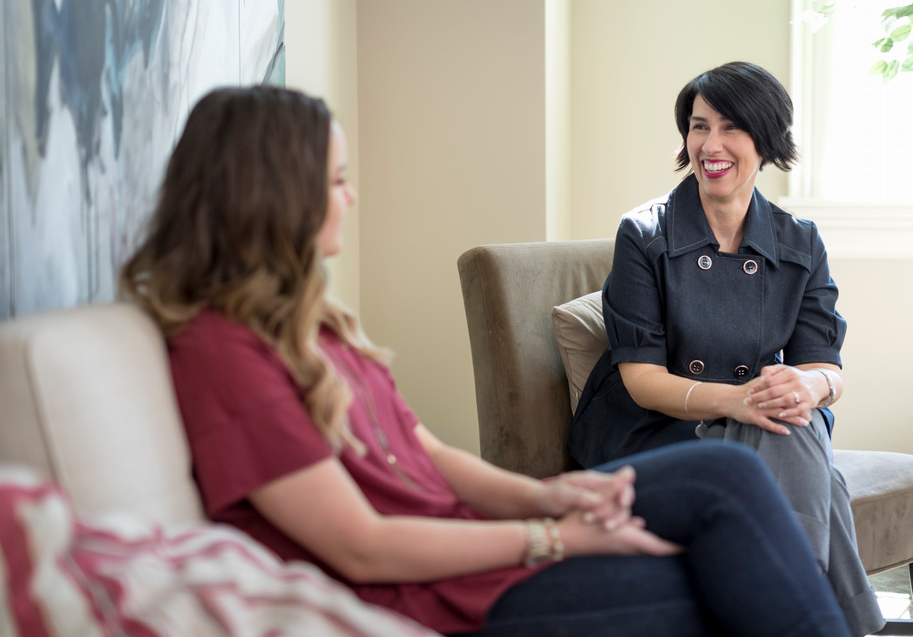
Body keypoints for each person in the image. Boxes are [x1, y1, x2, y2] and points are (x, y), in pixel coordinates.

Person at [119, 85, 851, 637]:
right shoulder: (225, 352)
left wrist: (550, 497)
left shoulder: (313, 327)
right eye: (335, 179)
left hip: (470, 538)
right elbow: (362, 548)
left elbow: (424, 452)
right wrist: (558, 536)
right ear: (271, 196)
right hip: (438, 589)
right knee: (732, 573)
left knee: (731, 474)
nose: (352, 196)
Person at [567, 62, 885, 636]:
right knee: (793, 430)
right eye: (698, 126)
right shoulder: (644, 234)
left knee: (793, 414)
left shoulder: (800, 242)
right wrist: (743, 401)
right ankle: (809, 612)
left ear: (766, 140)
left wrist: (808, 386)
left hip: (756, 426)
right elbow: (640, 379)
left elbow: (825, 366)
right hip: (654, 431)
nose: (709, 145)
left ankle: (789, 607)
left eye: (730, 127)